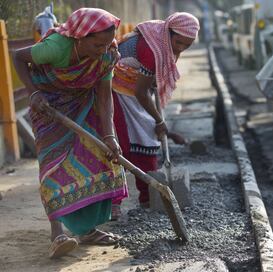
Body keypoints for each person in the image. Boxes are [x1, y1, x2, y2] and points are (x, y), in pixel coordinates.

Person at [13, 8, 128, 258]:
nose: (103, 50)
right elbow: (18, 57)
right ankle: (58, 233)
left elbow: (105, 97)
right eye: (97, 44)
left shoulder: (108, 54)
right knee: (53, 164)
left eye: (107, 44)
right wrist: (34, 93)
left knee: (98, 158)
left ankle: (89, 230)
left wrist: (109, 137)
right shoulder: (55, 47)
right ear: (79, 37)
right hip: (48, 105)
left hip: (83, 103)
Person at [110, 12, 200, 219]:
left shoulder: (161, 37)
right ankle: (114, 203)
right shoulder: (153, 49)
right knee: (120, 146)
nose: (180, 49)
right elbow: (142, 92)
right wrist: (159, 121)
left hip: (134, 91)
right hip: (116, 91)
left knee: (145, 141)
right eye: (178, 43)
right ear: (169, 32)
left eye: (187, 46)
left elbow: (147, 86)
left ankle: (148, 197)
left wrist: (160, 121)